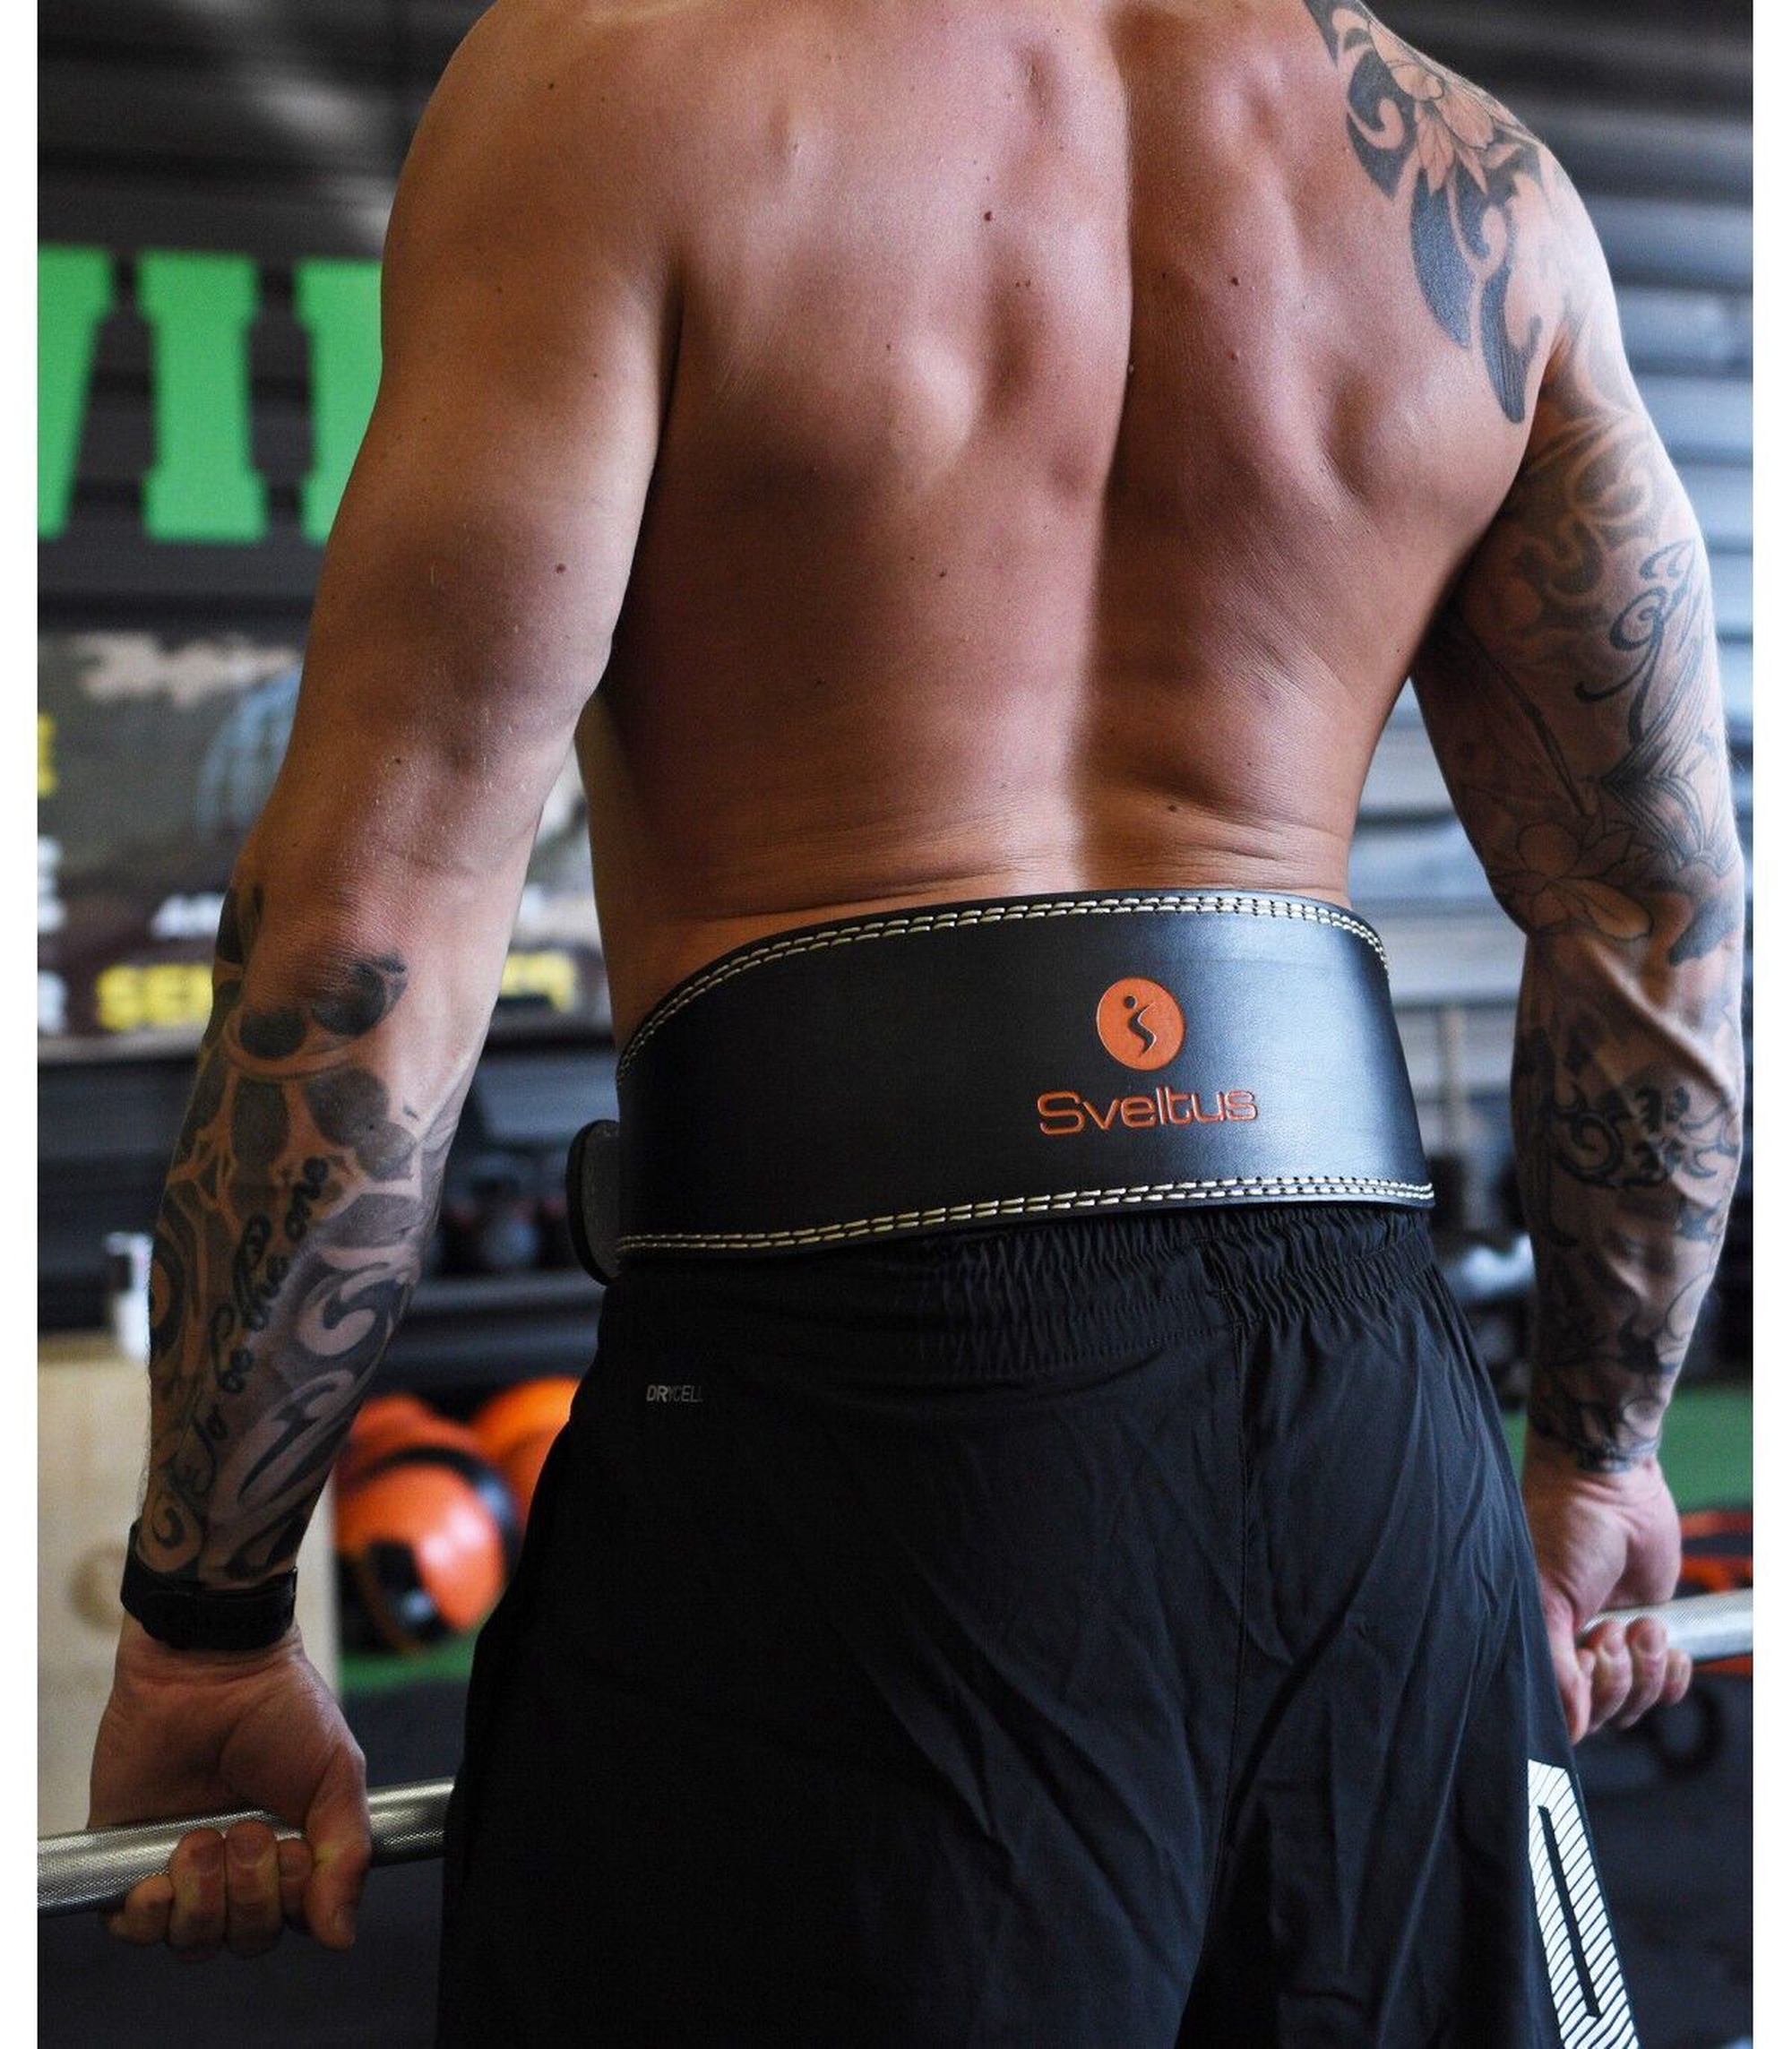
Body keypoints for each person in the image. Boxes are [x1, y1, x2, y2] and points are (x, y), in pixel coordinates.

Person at [89, 0, 1744, 2037]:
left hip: (859, 1454)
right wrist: (1597, 1453)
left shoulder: (615, 81)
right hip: (1367, 1451)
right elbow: (1657, 907)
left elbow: (367, 926)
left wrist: (204, 1617)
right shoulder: (1474, 193)